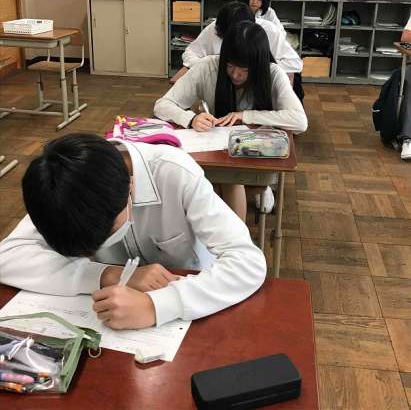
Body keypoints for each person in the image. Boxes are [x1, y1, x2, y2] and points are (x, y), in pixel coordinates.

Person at [0, 133, 266, 330]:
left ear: (130, 187)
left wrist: (156, 306)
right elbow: (7, 257)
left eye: (108, 234)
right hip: (112, 319)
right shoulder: (63, 185)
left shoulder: (174, 172)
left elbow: (248, 262)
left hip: (195, 301)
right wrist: (108, 275)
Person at [155, 21, 307, 220]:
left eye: (244, 70)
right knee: (221, 180)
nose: (235, 75)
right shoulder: (208, 66)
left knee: (226, 182)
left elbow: (300, 121)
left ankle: (232, 230)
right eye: (229, 66)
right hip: (217, 154)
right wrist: (191, 119)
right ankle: (225, 234)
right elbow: (162, 105)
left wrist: (246, 115)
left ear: (258, 65)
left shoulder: (273, 73)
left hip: (256, 155)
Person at [171, 2, 302, 85]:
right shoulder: (216, 27)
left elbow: (295, 63)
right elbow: (190, 52)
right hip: (225, 85)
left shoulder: (269, 31)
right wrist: (209, 64)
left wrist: (257, 67)